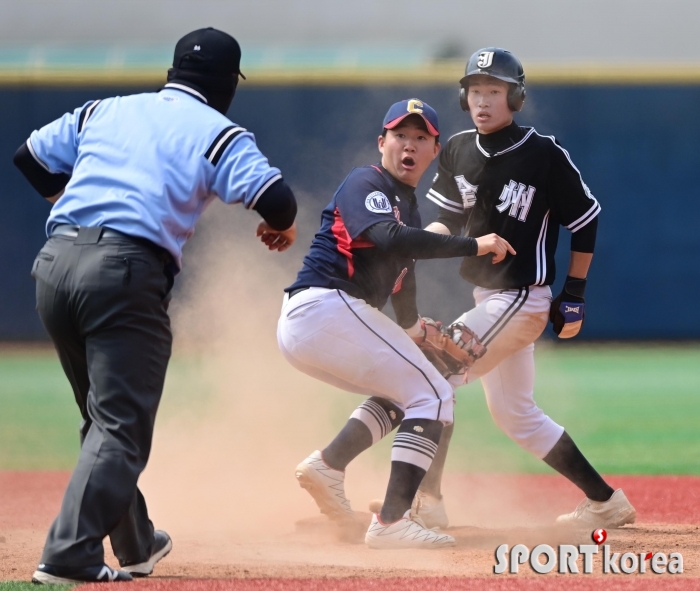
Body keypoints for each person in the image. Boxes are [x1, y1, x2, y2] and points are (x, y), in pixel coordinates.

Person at [13, 28, 297, 585]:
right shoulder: (219, 132)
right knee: (119, 427)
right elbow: (278, 200)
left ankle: (137, 543)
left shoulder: (106, 109)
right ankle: (68, 556)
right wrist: (280, 228)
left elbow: (29, 156)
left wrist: (75, 202)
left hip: (55, 263)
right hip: (122, 272)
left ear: (173, 72)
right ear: (225, 85)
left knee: (101, 419)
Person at [373, 47, 636, 530]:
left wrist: (574, 292)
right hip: (489, 300)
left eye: (493, 90)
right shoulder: (456, 148)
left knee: (434, 374)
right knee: (516, 414)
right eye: (475, 91)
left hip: (520, 298)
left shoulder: (543, 154)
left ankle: (426, 501)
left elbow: (586, 219)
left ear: (515, 96)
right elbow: (446, 219)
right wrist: (411, 245)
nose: (483, 100)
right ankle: (606, 501)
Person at [277, 98, 514, 549]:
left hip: (323, 321)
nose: (409, 145)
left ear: (434, 151)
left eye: (420, 137)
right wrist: (475, 244)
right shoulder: (366, 182)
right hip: (324, 307)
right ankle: (391, 523)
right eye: (400, 135)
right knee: (435, 393)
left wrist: (417, 330)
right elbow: (389, 237)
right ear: (381, 142)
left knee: (410, 389)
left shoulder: (407, 205)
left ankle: (328, 465)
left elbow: (402, 282)